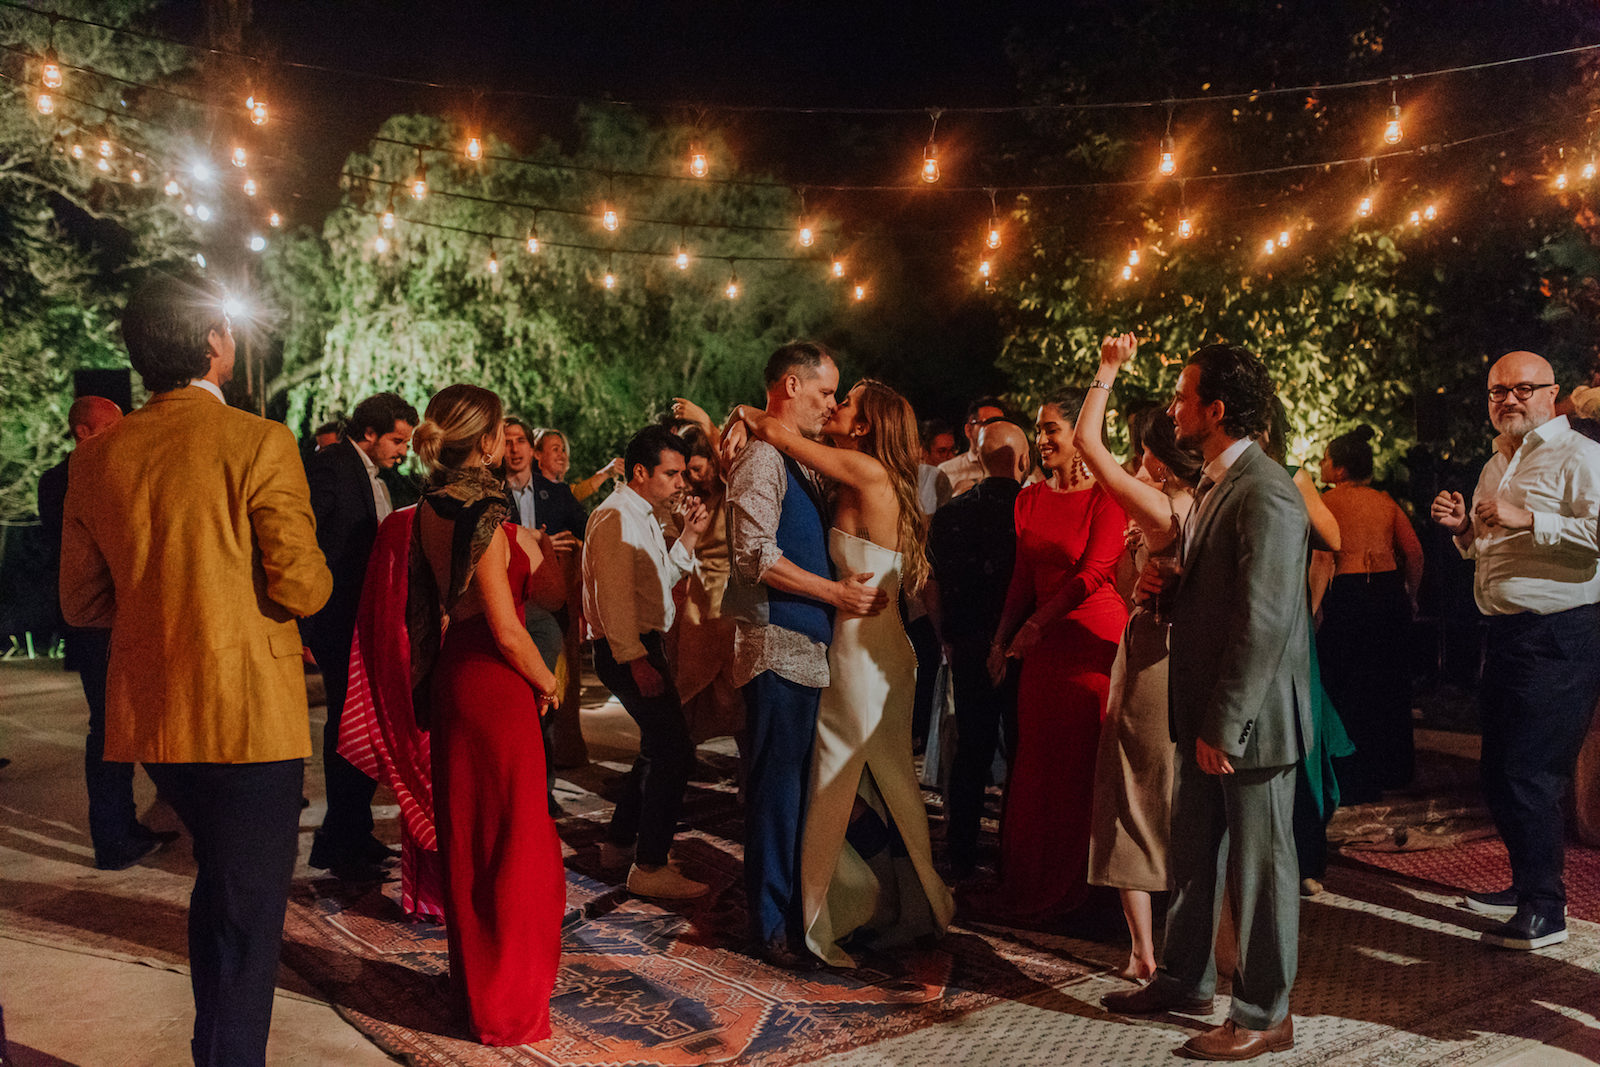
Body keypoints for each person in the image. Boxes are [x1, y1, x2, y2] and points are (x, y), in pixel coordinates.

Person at [59, 271, 332, 1066]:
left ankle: (208, 1046)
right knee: (250, 922)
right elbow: (302, 582)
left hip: (156, 716)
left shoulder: (101, 455)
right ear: (217, 341)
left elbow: (80, 600)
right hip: (247, 716)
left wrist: (159, 605)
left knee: (221, 885)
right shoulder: (258, 440)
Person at [1102, 344, 1310, 1063]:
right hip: (1205, 709)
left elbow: (1267, 617)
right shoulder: (1221, 483)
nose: (1172, 409)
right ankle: (1183, 978)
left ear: (1217, 411)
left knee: (1259, 865)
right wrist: (1173, 588)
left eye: (1183, 396)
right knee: (1193, 856)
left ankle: (1264, 1011)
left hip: (1249, 721)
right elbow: (1224, 595)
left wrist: (1228, 720)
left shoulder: (1267, 489)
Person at [730, 379, 955, 967]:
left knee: (834, 781)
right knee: (879, 786)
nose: (834, 406)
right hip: (870, 645)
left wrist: (737, 412)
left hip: (861, 651)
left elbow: (774, 429)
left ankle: (824, 914)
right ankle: (902, 905)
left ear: (862, 427)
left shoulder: (865, 471)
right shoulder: (862, 474)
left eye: (845, 400)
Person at [724, 341, 888, 969]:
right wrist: (835, 592)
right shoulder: (763, 460)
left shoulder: (798, 460)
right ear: (791, 386)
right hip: (776, 642)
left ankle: (798, 912)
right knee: (775, 790)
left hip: (807, 643)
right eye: (824, 393)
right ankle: (769, 925)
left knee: (800, 788)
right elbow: (752, 556)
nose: (829, 405)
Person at [1431, 350, 1600, 952]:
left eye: (1523, 389)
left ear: (1552, 394)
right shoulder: (1494, 463)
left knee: (1530, 772)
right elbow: (1485, 549)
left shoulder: (1580, 455)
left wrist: (1528, 518)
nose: (1509, 400)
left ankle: (1546, 912)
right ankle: (1527, 883)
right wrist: (1462, 531)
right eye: (1498, 391)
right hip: (1505, 633)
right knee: (1499, 770)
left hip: (1560, 632)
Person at [411, 384, 565, 1044]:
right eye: (502, 430)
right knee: (518, 843)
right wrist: (548, 680)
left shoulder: (425, 508)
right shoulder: (485, 510)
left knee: (472, 842)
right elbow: (507, 628)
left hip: (455, 677)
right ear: (484, 440)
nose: (508, 441)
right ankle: (509, 1005)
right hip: (495, 683)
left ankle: (477, 990)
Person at [1073, 334, 1200, 982]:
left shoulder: (1160, 506)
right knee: (1185, 796)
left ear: (1158, 454)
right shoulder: (1208, 499)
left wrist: (1108, 368)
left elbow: (1086, 447)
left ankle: (1145, 952)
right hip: (1195, 655)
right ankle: (1193, 941)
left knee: (1133, 792)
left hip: (1154, 656)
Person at [979, 391, 1128, 922]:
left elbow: (1094, 574)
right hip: (1040, 652)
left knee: (1084, 772)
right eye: (1038, 430)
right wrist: (1001, 638)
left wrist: (1035, 627)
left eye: (1052, 430)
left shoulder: (1107, 498)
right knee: (1038, 767)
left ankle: (1093, 897)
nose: (1042, 440)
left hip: (1091, 649)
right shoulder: (1028, 500)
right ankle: (1036, 883)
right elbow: (1023, 578)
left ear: (1081, 434)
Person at [38, 395, 180, 870]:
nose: (121, 434)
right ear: (84, 431)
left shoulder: (96, 471)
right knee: (108, 726)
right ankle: (112, 838)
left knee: (121, 722)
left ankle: (121, 824)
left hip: (118, 615)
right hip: (95, 619)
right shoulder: (62, 479)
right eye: (112, 426)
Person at [583, 425, 714, 898]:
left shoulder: (641, 515)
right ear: (641, 472)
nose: (682, 483)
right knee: (675, 752)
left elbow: (657, 582)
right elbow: (614, 599)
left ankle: (620, 843)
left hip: (640, 645)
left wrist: (691, 537)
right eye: (672, 473)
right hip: (631, 649)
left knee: (658, 748)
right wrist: (636, 660)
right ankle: (650, 865)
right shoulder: (617, 517)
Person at [303, 391, 417, 881]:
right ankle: (339, 842)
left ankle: (353, 831)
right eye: (397, 439)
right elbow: (312, 540)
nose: (403, 450)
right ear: (368, 433)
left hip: (368, 617)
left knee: (363, 725)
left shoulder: (383, 476)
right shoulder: (331, 465)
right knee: (345, 726)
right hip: (340, 619)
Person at [925, 419, 1031, 881]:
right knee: (1023, 753)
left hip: (967, 643)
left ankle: (962, 851)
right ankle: (1015, 850)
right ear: (1024, 462)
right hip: (1023, 647)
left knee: (971, 749)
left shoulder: (951, 513)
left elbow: (933, 583)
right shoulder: (1031, 510)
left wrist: (945, 635)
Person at [1318, 426, 1424, 799]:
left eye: (1326, 459)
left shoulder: (1325, 502)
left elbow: (1317, 557)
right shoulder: (1386, 502)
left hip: (1347, 597)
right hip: (1386, 593)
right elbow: (1414, 553)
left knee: (1347, 683)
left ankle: (1352, 773)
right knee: (1389, 683)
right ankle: (1393, 769)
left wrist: (1313, 606)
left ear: (1341, 469)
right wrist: (1409, 595)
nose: (1321, 464)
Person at [503, 418, 584, 808]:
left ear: (530, 450)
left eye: (520, 440)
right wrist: (538, 543)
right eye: (507, 441)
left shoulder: (557, 493)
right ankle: (516, 790)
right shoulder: (490, 495)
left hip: (548, 608)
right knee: (512, 707)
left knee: (546, 703)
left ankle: (544, 790)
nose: (515, 448)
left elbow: (586, 533)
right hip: (507, 606)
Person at [662, 413, 746, 745]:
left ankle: (746, 771)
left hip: (733, 600)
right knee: (689, 684)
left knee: (736, 690)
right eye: (688, 470)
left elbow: (732, 463)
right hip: (698, 600)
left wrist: (705, 421)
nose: (694, 476)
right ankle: (679, 760)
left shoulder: (732, 488)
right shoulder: (686, 500)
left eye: (699, 467)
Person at [534, 427, 622, 507]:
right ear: (537, 454)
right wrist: (606, 473)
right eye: (555, 449)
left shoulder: (562, 489)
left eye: (563, 450)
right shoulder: (532, 490)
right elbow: (576, 493)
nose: (562, 455)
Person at [939, 396, 1007, 497]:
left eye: (999, 424)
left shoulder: (1016, 468)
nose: (994, 430)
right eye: (986, 424)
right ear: (968, 430)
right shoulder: (946, 472)